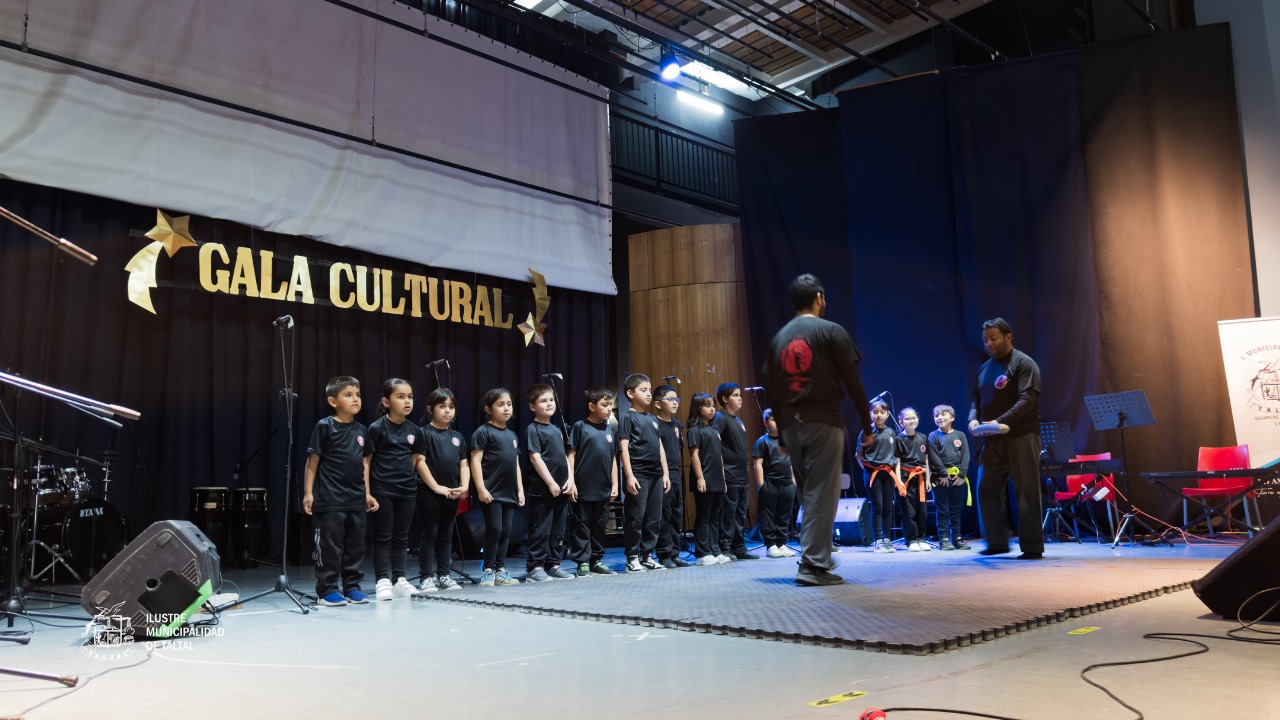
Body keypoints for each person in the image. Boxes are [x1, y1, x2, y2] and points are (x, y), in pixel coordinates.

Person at [763, 274, 875, 587]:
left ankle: (816, 559)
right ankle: (812, 565)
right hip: (822, 421)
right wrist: (867, 427)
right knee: (821, 495)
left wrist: (782, 435)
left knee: (809, 493)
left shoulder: (779, 338)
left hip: (792, 426)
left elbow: (773, 392)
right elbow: (853, 383)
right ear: (820, 298)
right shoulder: (830, 331)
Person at [968, 317, 1044, 560]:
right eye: (985, 340)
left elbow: (1026, 401)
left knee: (1026, 490)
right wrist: (973, 419)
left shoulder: (1023, 363)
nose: (988, 343)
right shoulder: (984, 368)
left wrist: (1000, 421)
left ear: (1008, 337)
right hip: (992, 438)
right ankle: (997, 542)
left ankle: (1032, 546)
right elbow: (976, 401)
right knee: (985, 487)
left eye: (993, 338)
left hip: (1021, 435)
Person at [303, 376, 379, 606]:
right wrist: (308, 493)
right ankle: (326, 590)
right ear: (332, 401)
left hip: (355, 499)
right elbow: (312, 462)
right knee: (330, 547)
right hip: (330, 499)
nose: (355, 399)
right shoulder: (325, 426)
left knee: (355, 546)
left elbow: (365, 463)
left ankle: (352, 587)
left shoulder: (362, 430)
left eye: (357, 394)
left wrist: (366, 492)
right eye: (348, 395)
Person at [367, 378, 422, 601]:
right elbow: (366, 462)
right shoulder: (376, 428)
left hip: (407, 490)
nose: (407, 401)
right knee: (383, 536)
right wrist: (367, 492)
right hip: (382, 489)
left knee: (402, 537)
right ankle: (382, 580)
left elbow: (415, 458)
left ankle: (399, 579)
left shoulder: (415, 430)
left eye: (409, 396)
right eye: (400, 397)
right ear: (386, 401)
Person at [414, 388, 469, 591]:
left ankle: (444, 575)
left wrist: (463, 487)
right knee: (429, 534)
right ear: (431, 409)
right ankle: (426, 577)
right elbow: (420, 462)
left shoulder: (457, 437)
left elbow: (464, 464)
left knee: (446, 535)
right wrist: (436, 487)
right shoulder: (423, 433)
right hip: (429, 493)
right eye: (442, 406)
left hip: (452, 494)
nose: (447, 411)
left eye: (451, 407)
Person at [471, 388, 524, 586]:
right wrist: (481, 488)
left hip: (509, 491)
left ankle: (500, 570)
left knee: (506, 531)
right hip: (491, 490)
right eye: (500, 404)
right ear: (488, 409)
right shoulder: (483, 432)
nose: (506, 408)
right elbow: (475, 461)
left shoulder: (512, 435)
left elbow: (516, 464)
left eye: (508, 404)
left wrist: (520, 489)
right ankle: (488, 569)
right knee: (494, 528)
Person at [618, 373, 670, 573]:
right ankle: (632, 557)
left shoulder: (652, 419)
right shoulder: (627, 418)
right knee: (636, 517)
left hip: (656, 473)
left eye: (649, 390)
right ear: (631, 393)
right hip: (638, 473)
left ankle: (647, 555)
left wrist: (665, 473)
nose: (649, 394)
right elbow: (623, 447)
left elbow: (659, 446)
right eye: (643, 390)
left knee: (654, 517)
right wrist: (629, 475)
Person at [524, 383, 575, 582]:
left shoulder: (556, 429)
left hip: (561, 487)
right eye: (543, 401)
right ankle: (535, 567)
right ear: (532, 406)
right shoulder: (533, 429)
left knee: (558, 528)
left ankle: (553, 563)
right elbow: (535, 457)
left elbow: (563, 457)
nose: (549, 403)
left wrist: (570, 479)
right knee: (541, 528)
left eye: (551, 400)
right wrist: (550, 482)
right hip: (543, 488)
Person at [566, 387, 619, 577]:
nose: (608, 409)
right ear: (591, 406)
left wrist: (615, 483)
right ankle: (582, 562)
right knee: (582, 524)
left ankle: (596, 560)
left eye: (610, 405)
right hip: (583, 486)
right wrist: (571, 481)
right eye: (604, 405)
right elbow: (570, 455)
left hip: (603, 487)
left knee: (599, 524)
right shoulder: (580, 427)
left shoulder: (611, 429)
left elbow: (613, 458)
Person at [714, 383, 755, 561]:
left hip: (742, 475)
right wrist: (722, 473)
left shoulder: (738, 420)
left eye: (740, 395)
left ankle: (739, 546)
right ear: (724, 399)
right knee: (728, 514)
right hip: (729, 474)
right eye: (735, 395)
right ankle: (725, 547)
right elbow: (716, 448)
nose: (740, 398)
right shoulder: (720, 418)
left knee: (740, 513)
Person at [686, 393, 727, 565]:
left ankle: (714, 549)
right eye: (707, 405)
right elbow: (694, 456)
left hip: (717, 478)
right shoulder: (694, 430)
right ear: (697, 408)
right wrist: (700, 478)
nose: (712, 409)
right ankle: (702, 553)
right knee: (704, 515)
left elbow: (719, 456)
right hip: (705, 478)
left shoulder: (714, 429)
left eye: (713, 405)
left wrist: (724, 479)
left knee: (715, 516)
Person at [653, 385, 690, 568]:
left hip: (676, 475)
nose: (675, 403)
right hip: (662, 476)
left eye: (677, 399)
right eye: (670, 399)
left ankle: (675, 553)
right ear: (658, 404)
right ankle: (664, 554)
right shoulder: (654, 424)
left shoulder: (676, 425)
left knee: (677, 515)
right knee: (664, 516)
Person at [858, 400, 902, 553]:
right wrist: (867, 470)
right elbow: (858, 455)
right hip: (872, 474)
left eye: (882, 412)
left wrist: (896, 477)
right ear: (870, 414)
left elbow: (894, 455)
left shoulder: (891, 432)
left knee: (888, 507)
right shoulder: (866, 432)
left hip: (888, 474)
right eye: (875, 412)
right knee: (877, 506)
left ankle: (888, 539)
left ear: (888, 414)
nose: (878, 415)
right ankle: (878, 540)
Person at [752, 408, 796, 559]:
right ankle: (771, 545)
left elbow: (791, 463)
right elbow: (758, 463)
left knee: (784, 515)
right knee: (768, 514)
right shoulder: (762, 441)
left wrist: (793, 482)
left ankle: (781, 543)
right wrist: (761, 485)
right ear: (766, 423)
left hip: (787, 484)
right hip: (770, 483)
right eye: (774, 419)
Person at [927, 404, 971, 551]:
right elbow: (934, 456)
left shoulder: (960, 435)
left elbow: (966, 456)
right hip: (941, 479)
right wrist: (942, 474)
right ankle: (944, 538)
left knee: (956, 509)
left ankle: (957, 538)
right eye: (936, 415)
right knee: (942, 509)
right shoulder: (933, 436)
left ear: (952, 417)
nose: (939, 418)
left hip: (957, 478)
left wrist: (961, 475)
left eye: (943, 414)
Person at [895, 407, 932, 552]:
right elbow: (897, 461)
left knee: (922, 510)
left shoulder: (923, 437)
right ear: (901, 422)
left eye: (914, 417)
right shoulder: (899, 439)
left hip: (921, 477)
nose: (912, 420)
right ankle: (911, 539)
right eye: (908, 418)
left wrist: (928, 478)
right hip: (906, 477)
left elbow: (927, 460)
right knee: (908, 510)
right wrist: (899, 482)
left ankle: (922, 538)